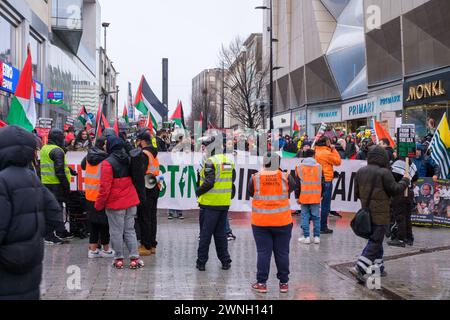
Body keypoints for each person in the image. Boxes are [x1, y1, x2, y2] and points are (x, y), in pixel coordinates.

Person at [0, 126, 63, 300]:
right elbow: (55, 215)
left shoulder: (2, 181)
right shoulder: (33, 178)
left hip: (5, 271)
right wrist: (35, 235)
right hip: (31, 265)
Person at [350, 146, 410, 283]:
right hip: (381, 214)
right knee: (375, 241)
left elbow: (356, 194)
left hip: (366, 213)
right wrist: (405, 180)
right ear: (383, 157)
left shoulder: (360, 171)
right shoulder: (384, 172)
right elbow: (395, 190)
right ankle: (360, 267)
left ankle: (378, 268)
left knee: (376, 240)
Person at [248, 154, 295, 294]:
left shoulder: (255, 177)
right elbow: (290, 190)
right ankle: (284, 283)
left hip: (261, 221)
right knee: (282, 252)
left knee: (263, 252)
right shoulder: (286, 177)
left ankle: (261, 283)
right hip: (282, 221)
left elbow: (251, 192)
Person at [94, 135, 143, 269]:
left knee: (116, 231)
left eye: (106, 144)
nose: (104, 146)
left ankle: (119, 258)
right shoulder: (128, 158)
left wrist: (98, 204)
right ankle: (134, 258)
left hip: (115, 203)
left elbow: (105, 188)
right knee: (130, 230)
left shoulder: (107, 163)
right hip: (131, 200)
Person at [195, 137, 234, 272]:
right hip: (224, 203)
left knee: (205, 235)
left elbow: (209, 182)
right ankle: (225, 261)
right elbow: (232, 179)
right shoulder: (228, 161)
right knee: (221, 234)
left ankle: (201, 262)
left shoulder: (211, 162)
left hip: (209, 203)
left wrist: (198, 191)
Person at [81, 137, 114, 259]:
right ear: (104, 145)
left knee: (93, 223)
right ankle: (106, 249)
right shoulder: (106, 158)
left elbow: (83, 166)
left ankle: (93, 249)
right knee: (104, 223)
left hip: (89, 195)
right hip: (101, 196)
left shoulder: (89, 156)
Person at [40, 129, 74, 244]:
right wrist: (66, 186)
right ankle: (49, 236)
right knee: (55, 209)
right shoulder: (57, 150)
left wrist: (70, 170)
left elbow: (54, 165)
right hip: (56, 184)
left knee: (54, 208)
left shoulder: (45, 148)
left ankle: (60, 231)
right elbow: (59, 171)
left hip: (46, 183)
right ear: (58, 138)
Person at [135, 131, 162, 256]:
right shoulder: (153, 153)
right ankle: (152, 244)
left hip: (146, 188)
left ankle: (145, 245)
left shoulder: (144, 154)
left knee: (144, 217)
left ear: (142, 141)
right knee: (152, 217)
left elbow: (140, 173)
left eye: (138, 141)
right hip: (154, 186)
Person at [296, 149, 324, 245]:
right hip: (316, 196)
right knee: (316, 217)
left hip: (304, 196)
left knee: (304, 216)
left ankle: (306, 237)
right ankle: (316, 237)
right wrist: (322, 194)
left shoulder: (299, 167)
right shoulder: (319, 167)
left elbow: (297, 184)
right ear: (313, 155)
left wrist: (297, 196)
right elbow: (323, 182)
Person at [314, 136, 342, 234]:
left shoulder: (315, 151)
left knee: (313, 204)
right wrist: (333, 149)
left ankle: (309, 225)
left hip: (315, 179)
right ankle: (323, 226)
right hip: (326, 180)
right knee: (325, 204)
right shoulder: (327, 153)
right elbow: (338, 162)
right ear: (326, 142)